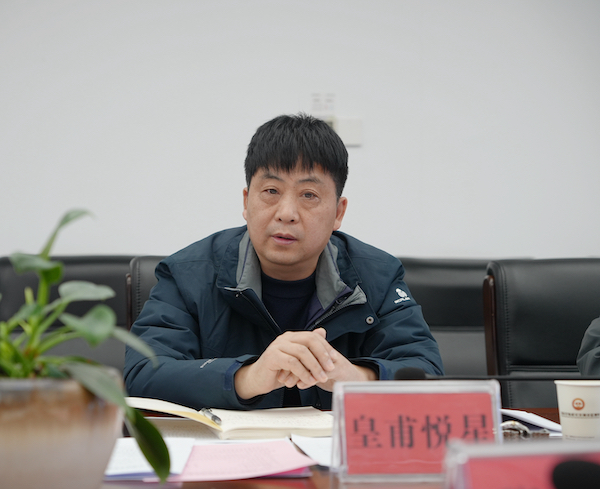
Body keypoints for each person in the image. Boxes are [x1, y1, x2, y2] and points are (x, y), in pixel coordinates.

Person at [124, 114, 444, 410]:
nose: (287, 213)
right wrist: (248, 377)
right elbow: (143, 375)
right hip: (228, 452)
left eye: (309, 195)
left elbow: (427, 374)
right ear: (246, 202)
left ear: (338, 212)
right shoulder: (188, 274)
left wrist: (357, 379)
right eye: (271, 191)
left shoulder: (378, 276)